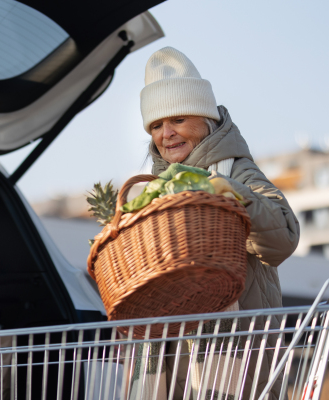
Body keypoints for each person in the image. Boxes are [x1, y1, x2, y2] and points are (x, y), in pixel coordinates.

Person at [136, 47, 300, 400]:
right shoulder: (152, 190)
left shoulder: (235, 170)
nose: (166, 134)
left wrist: (228, 195)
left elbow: (283, 238)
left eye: (178, 120)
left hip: (235, 350)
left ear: (205, 119)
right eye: (156, 125)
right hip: (175, 351)